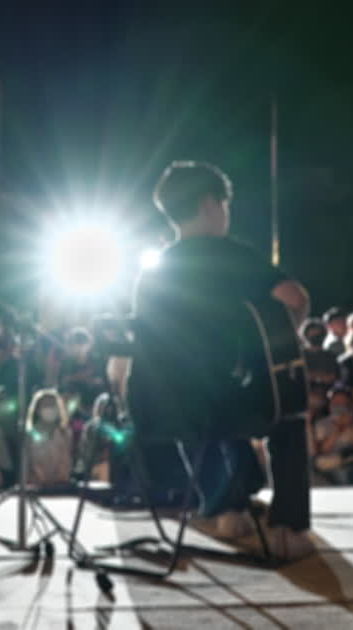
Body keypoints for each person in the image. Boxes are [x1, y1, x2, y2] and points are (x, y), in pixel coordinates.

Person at [130, 161, 314, 557]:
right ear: (209, 204)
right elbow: (295, 298)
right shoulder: (231, 256)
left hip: (167, 408)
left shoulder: (152, 274)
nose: (227, 213)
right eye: (225, 205)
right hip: (239, 400)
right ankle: (289, 528)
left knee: (195, 414)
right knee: (289, 410)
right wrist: (281, 341)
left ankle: (224, 509)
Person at [312, 387, 353, 485]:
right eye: (336, 403)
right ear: (330, 405)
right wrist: (337, 430)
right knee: (341, 473)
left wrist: (349, 427)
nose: (340, 407)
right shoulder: (321, 424)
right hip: (331, 463)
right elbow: (322, 450)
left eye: (343, 403)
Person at [25, 389, 73, 488]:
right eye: (46, 405)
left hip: (60, 486)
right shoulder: (30, 435)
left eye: (52, 405)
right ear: (38, 409)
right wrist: (40, 479)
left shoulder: (65, 433)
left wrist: (59, 479)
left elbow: (66, 461)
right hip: (36, 486)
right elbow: (29, 463)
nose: (50, 409)